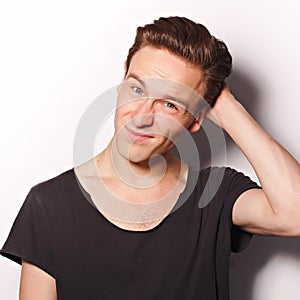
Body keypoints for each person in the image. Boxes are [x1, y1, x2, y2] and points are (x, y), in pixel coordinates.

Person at [1, 16, 300, 300]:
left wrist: (227, 107)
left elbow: (294, 214)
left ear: (196, 119)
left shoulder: (214, 195)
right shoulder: (49, 205)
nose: (142, 117)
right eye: (137, 88)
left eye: (169, 104)